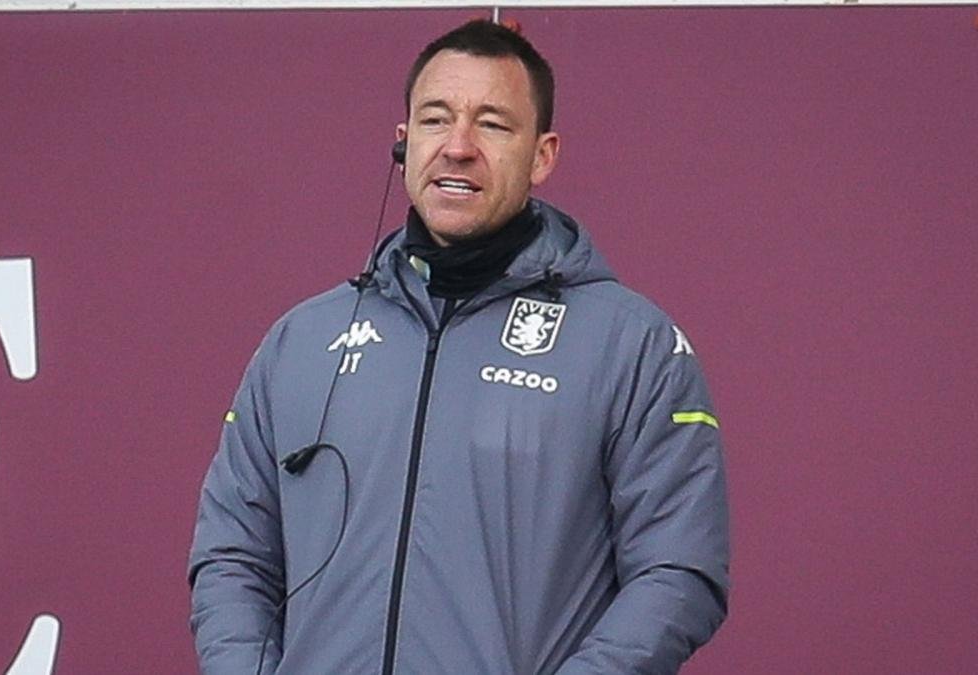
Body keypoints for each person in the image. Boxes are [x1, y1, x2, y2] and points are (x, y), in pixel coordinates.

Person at [188, 19, 730, 674]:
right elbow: (233, 556)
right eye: (436, 120)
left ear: (543, 155)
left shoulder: (633, 345)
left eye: (493, 125)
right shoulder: (300, 341)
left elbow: (677, 570)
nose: (458, 147)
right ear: (403, 142)